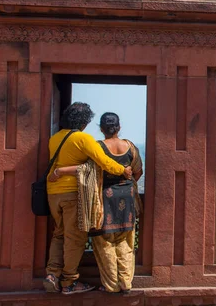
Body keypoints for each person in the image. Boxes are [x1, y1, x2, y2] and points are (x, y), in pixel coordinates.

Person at [44, 103, 132, 295]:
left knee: (59, 234)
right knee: (76, 238)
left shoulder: (55, 138)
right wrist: (122, 170)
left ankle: (52, 274)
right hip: (72, 194)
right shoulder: (83, 138)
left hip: (53, 193)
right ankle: (69, 282)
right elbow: (104, 161)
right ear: (84, 122)